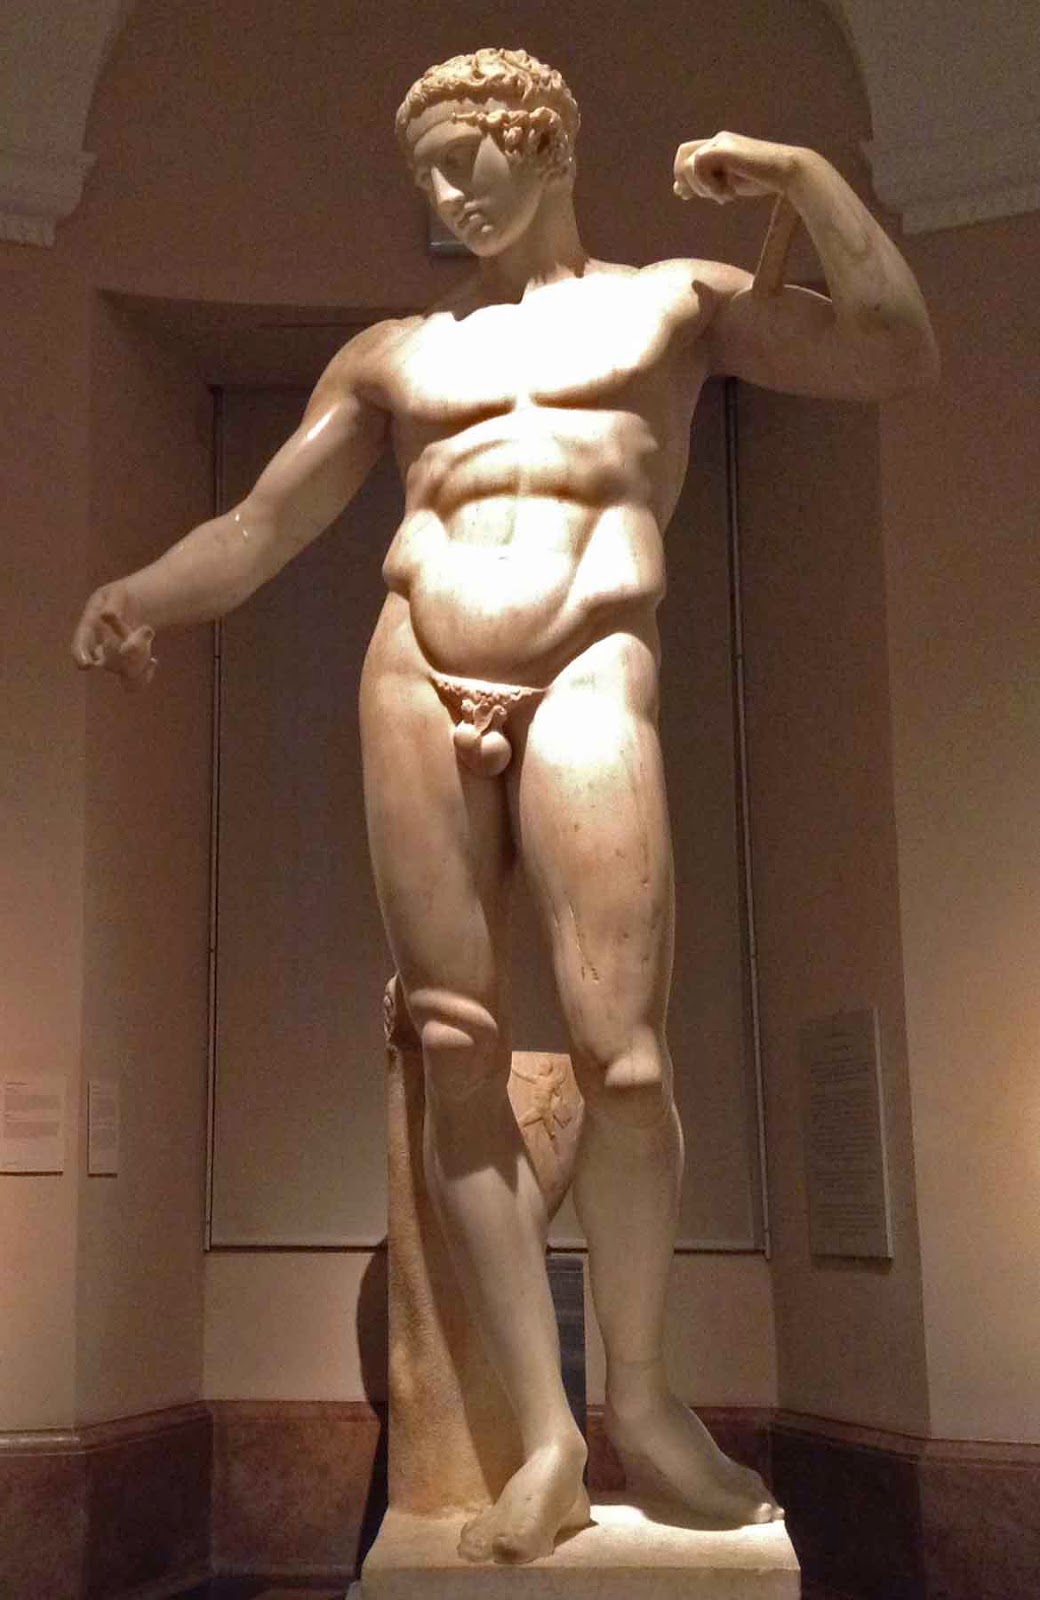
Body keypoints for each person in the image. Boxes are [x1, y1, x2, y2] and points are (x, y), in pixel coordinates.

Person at [72, 47, 937, 1567]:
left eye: (469, 156)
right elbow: (265, 523)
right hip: (415, 670)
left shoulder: (672, 302)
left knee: (624, 1059)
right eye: (425, 172)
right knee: (455, 1056)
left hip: (593, 659)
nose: (448, 193)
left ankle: (644, 1400)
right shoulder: (397, 356)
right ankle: (547, 1435)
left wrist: (802, 177)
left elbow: (890, 349)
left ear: (547, 146)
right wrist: (139, 592)